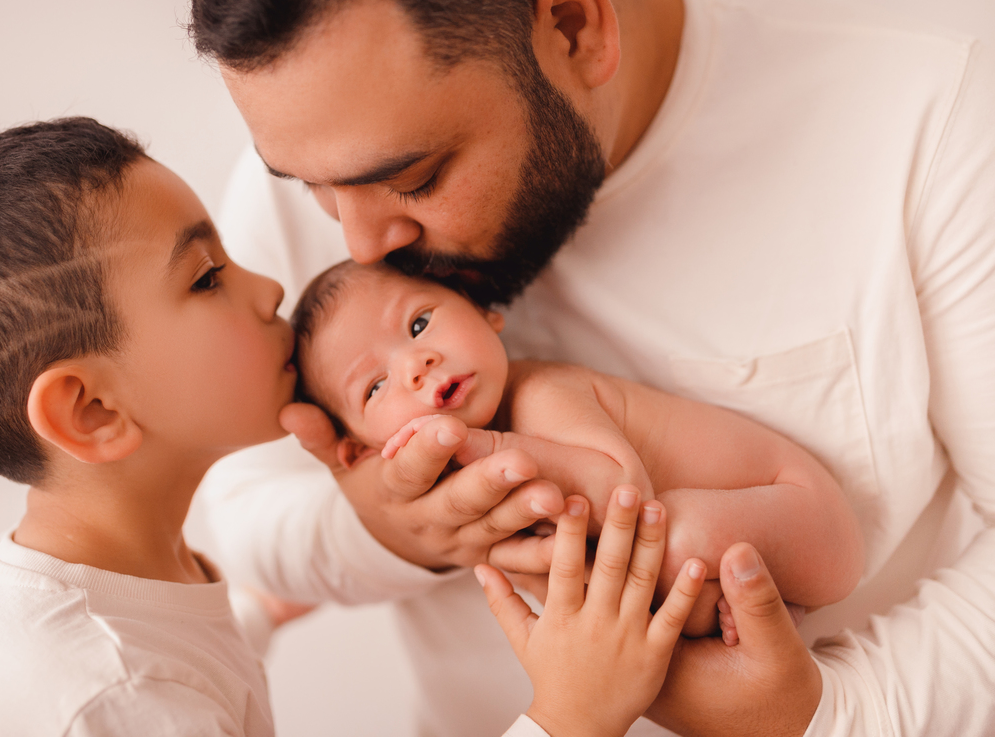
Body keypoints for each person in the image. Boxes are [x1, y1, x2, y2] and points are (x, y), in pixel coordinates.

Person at [187, 0, 995, 735]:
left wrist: (833, 714)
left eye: (417, 179)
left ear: (574, 26)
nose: (358, 243)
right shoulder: (330, 137)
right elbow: (242, 517)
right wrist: (391, 533)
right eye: (312, 190)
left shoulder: (931, 121)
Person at [0, 116, 716, 737]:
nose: (267, 289)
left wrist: (260, 616)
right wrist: (571, 716)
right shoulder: (114, 699)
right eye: (206, 278)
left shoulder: (136, 589)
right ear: (93, 411)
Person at [292, 259, 862, 638]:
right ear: (363, 451)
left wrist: (493, 446)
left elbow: (624, 493)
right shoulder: (456, 501)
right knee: (628, 591)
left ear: (481, 307)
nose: (416, 365)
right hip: (756, 554)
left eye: (419, 325)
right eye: (375, 387)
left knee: (670, 537)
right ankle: (756, 607)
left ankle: (754, 597)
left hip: (803, 510)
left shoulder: (540, 393)